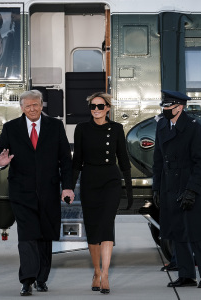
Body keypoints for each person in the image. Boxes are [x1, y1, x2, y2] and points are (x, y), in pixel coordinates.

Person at [0, 90, 74, 296]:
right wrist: (0, 164)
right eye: (27, 105)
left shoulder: (55, 126)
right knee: (28, 235)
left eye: (35, 105)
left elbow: (65, 158)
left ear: (41, 105)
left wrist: (67, 186)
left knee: (45, 235)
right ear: (21, 107)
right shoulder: (11, 128)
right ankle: (27, 280)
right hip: (21, 192)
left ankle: (41, 278)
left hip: (48, 190)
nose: (32, 109)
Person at [152, 90, 201, 288]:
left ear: (180, 107)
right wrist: (156, 188)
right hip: (169, 185)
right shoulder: (162, 125)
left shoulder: (194, 128)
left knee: (196, 233)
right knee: (177, 232)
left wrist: (192, 190)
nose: (165, 110)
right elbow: (158, 160)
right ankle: (186, 275)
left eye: (168, 107)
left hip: (188, 184)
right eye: (163, 107)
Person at [72, 92, 133, 294]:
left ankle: (105, 275)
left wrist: (129, 190)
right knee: (93, 228)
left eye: (100, 106)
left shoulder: (116, 129)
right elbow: (76, 161)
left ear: (108, 108)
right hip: (90, 180)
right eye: (93, 107)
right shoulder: (81, 129)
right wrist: (69, 187)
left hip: (110, 181)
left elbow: (123, 159)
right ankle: (96, 271)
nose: (96, 110)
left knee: (107, 225)